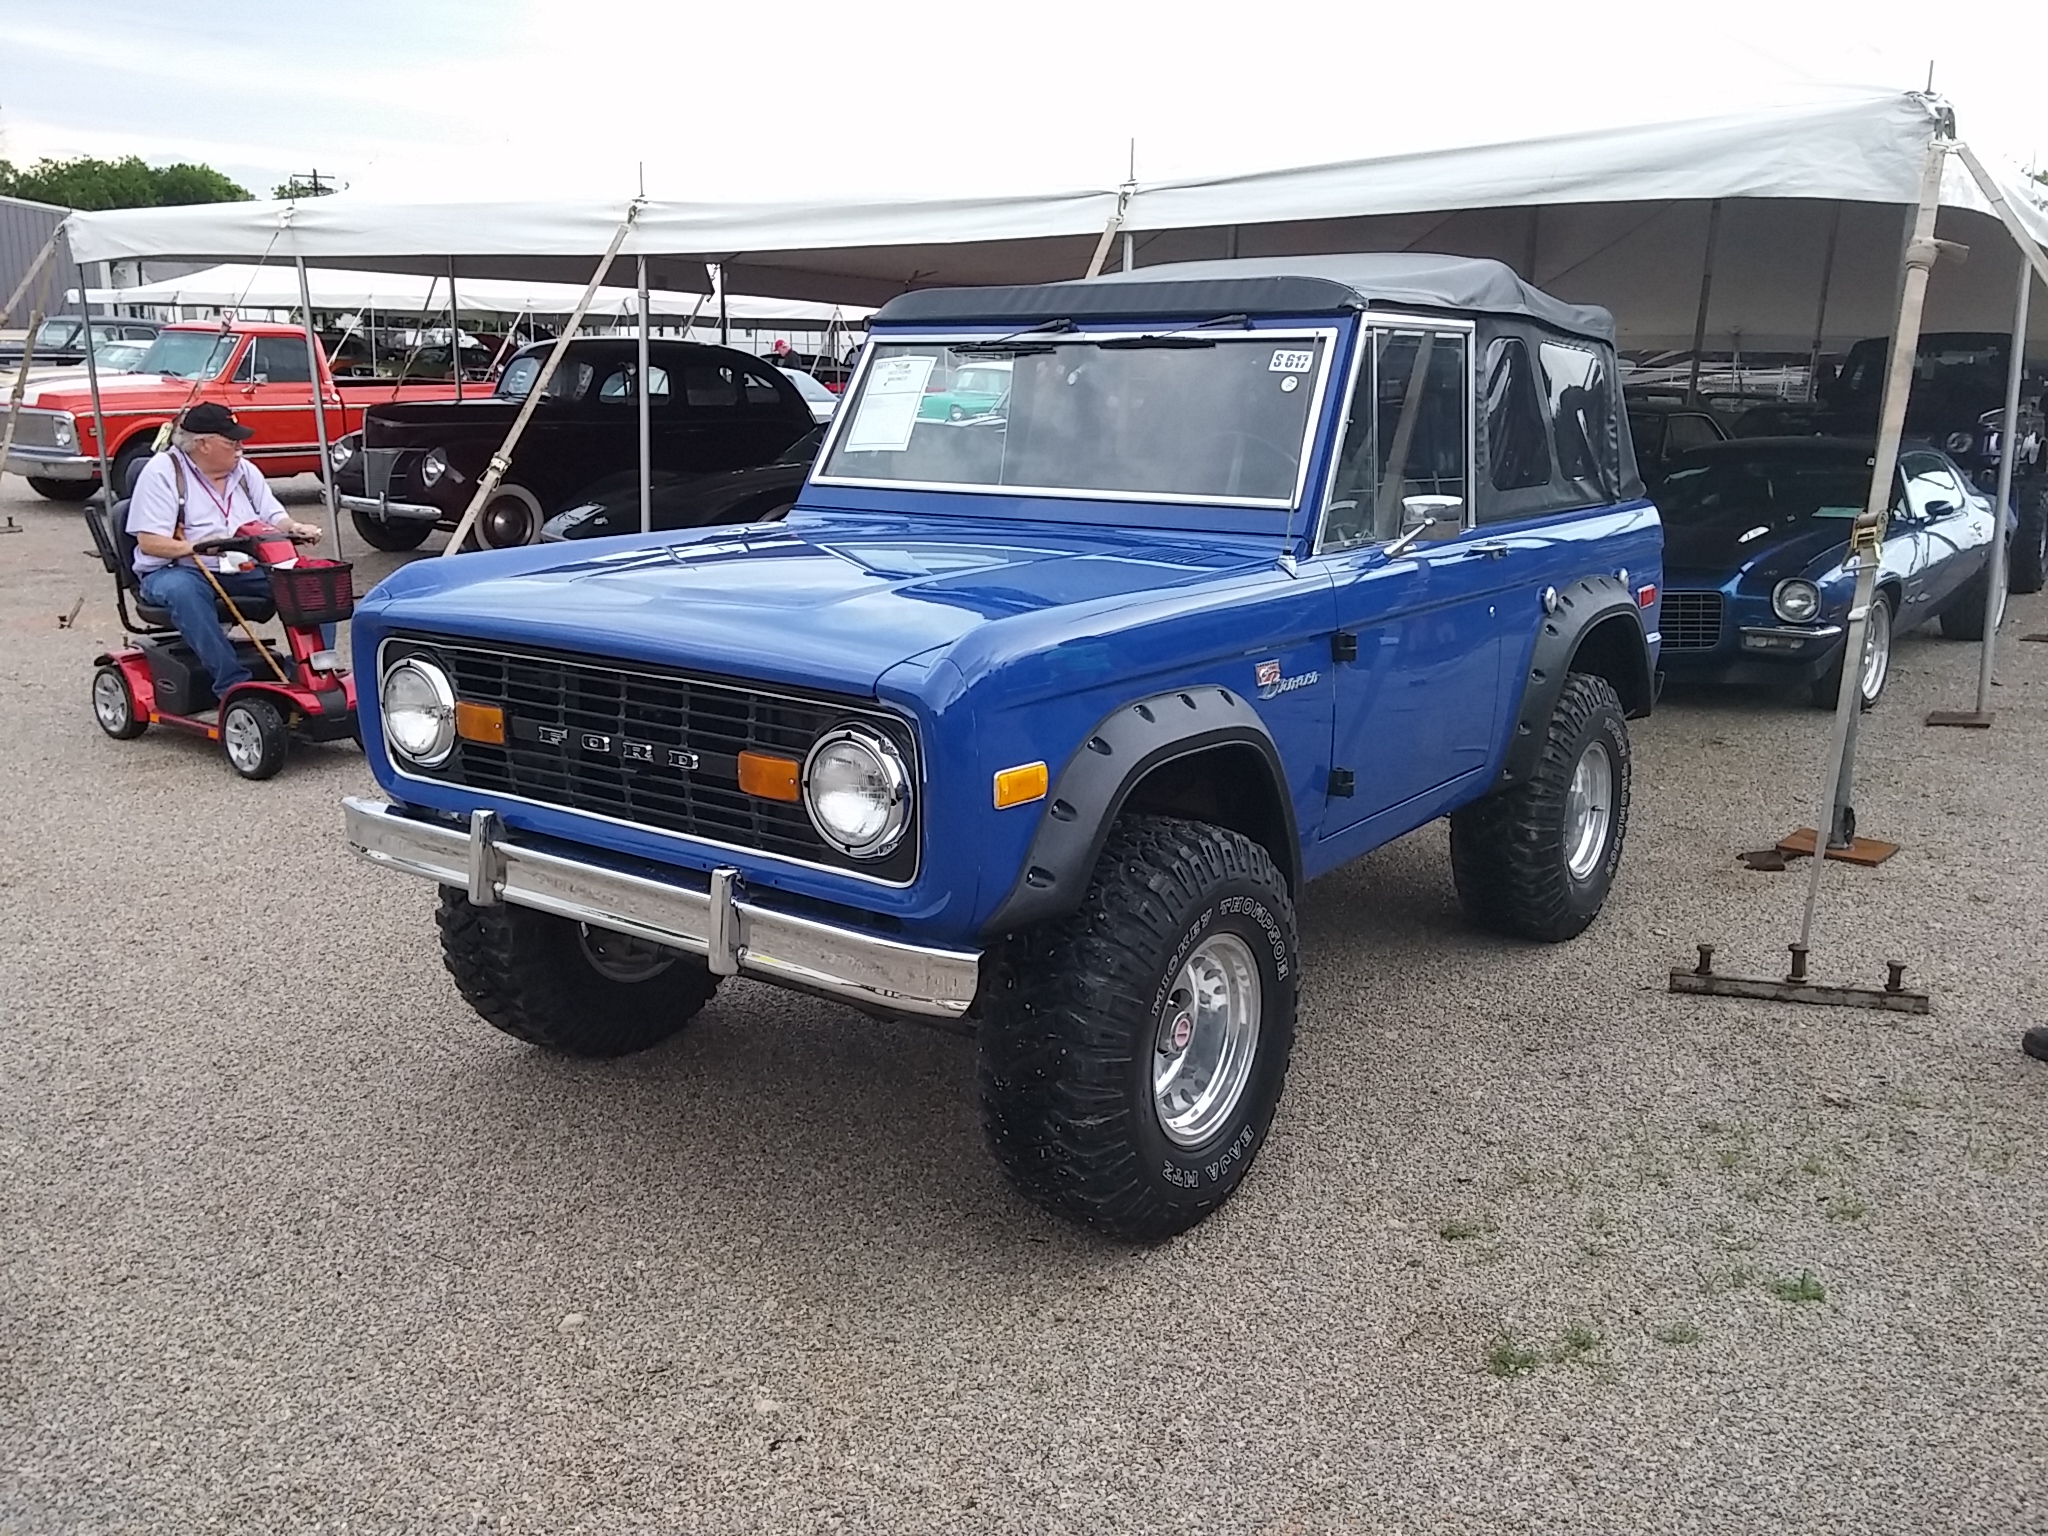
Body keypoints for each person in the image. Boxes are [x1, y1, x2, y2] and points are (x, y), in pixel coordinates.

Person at [126, 403, 326, 697]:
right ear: (203, 444)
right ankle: (232, 685)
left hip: (241, 565)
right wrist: (198, 547)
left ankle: (314, 673)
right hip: (177, 569)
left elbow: (273, 516)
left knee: (309, 583)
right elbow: (149, 542)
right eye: (232, 442)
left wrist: (294, 528)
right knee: (184, 590)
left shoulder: (244, 471)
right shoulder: (163, 472)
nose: (241, 448)